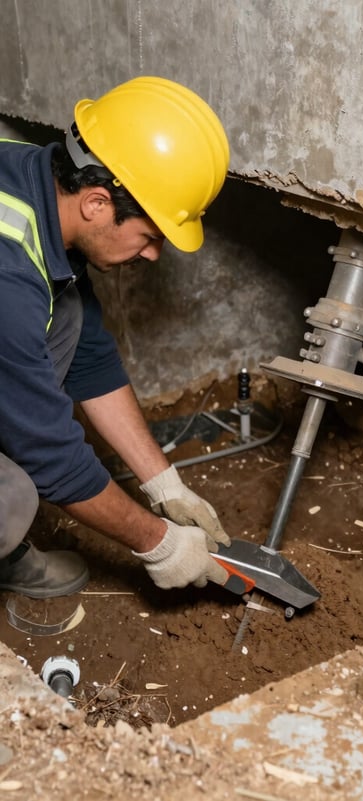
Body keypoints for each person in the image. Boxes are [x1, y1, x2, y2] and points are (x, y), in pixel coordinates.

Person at [0, 75, 231, 600]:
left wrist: (163, 485)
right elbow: (51, 460)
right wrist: (161, 544)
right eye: (150, 236)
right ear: (98, 203)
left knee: (70, 314)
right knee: (11, 495)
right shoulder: (8, 280)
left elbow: (88, 357)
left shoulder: (36, 179)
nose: (153, 254)